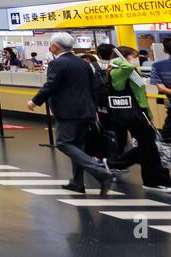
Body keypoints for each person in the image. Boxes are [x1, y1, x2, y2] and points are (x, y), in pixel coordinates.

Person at [27, 32, 113, 196]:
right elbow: (94, 87)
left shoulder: (58, 64)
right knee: (78, 145)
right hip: (86, 110)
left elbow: (51, 85)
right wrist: (93, 109)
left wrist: (35, 101)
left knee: (63, 143)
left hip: (68, 112)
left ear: (55, 47)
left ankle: (100, 170)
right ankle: (77, 182)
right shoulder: (84, 63)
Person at [107, 46, 171, 193]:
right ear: (124, 57)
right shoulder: (117, 71)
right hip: (133, 115)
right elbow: (127, 67)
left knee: (147, 146)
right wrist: (120, 61)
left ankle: (117, 164)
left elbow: (141, 95)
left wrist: (149, 113)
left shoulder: (131, 72)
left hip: (140, 113)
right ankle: (151, 180)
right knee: (149, 147)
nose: (136, 59)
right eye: (133, 56)